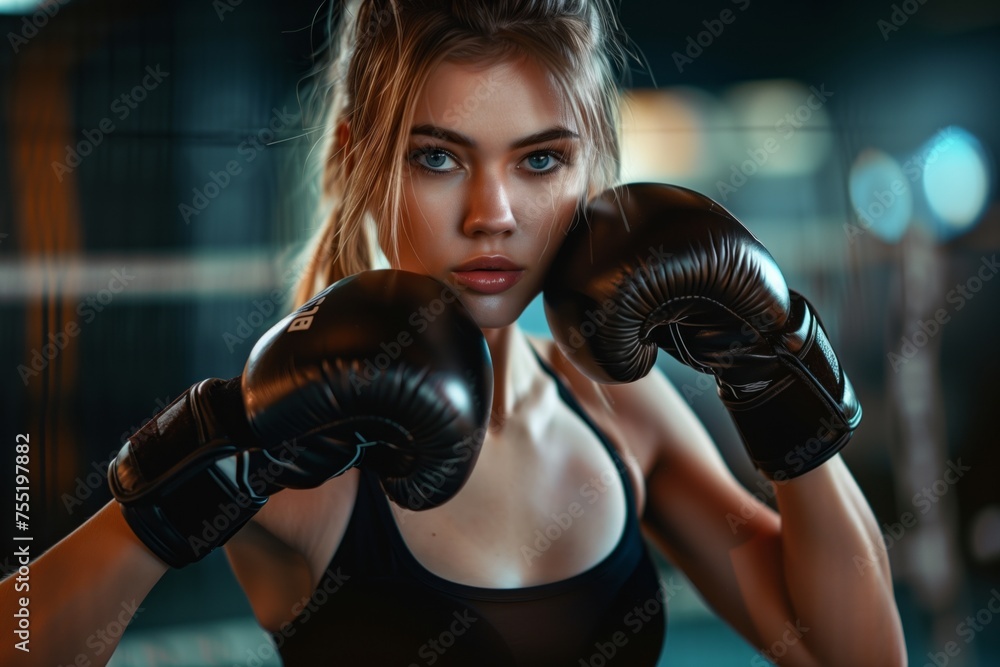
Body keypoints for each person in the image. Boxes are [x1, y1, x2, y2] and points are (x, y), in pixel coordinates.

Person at [0, 1, 907, 665]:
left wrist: (778, 365)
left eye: (540, 158)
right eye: (439, 157)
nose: (493, 214)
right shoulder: (307, 449)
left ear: (590, 166)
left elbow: (857, 658)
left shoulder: (620, 409)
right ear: (359, 157)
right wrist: (202, 460)